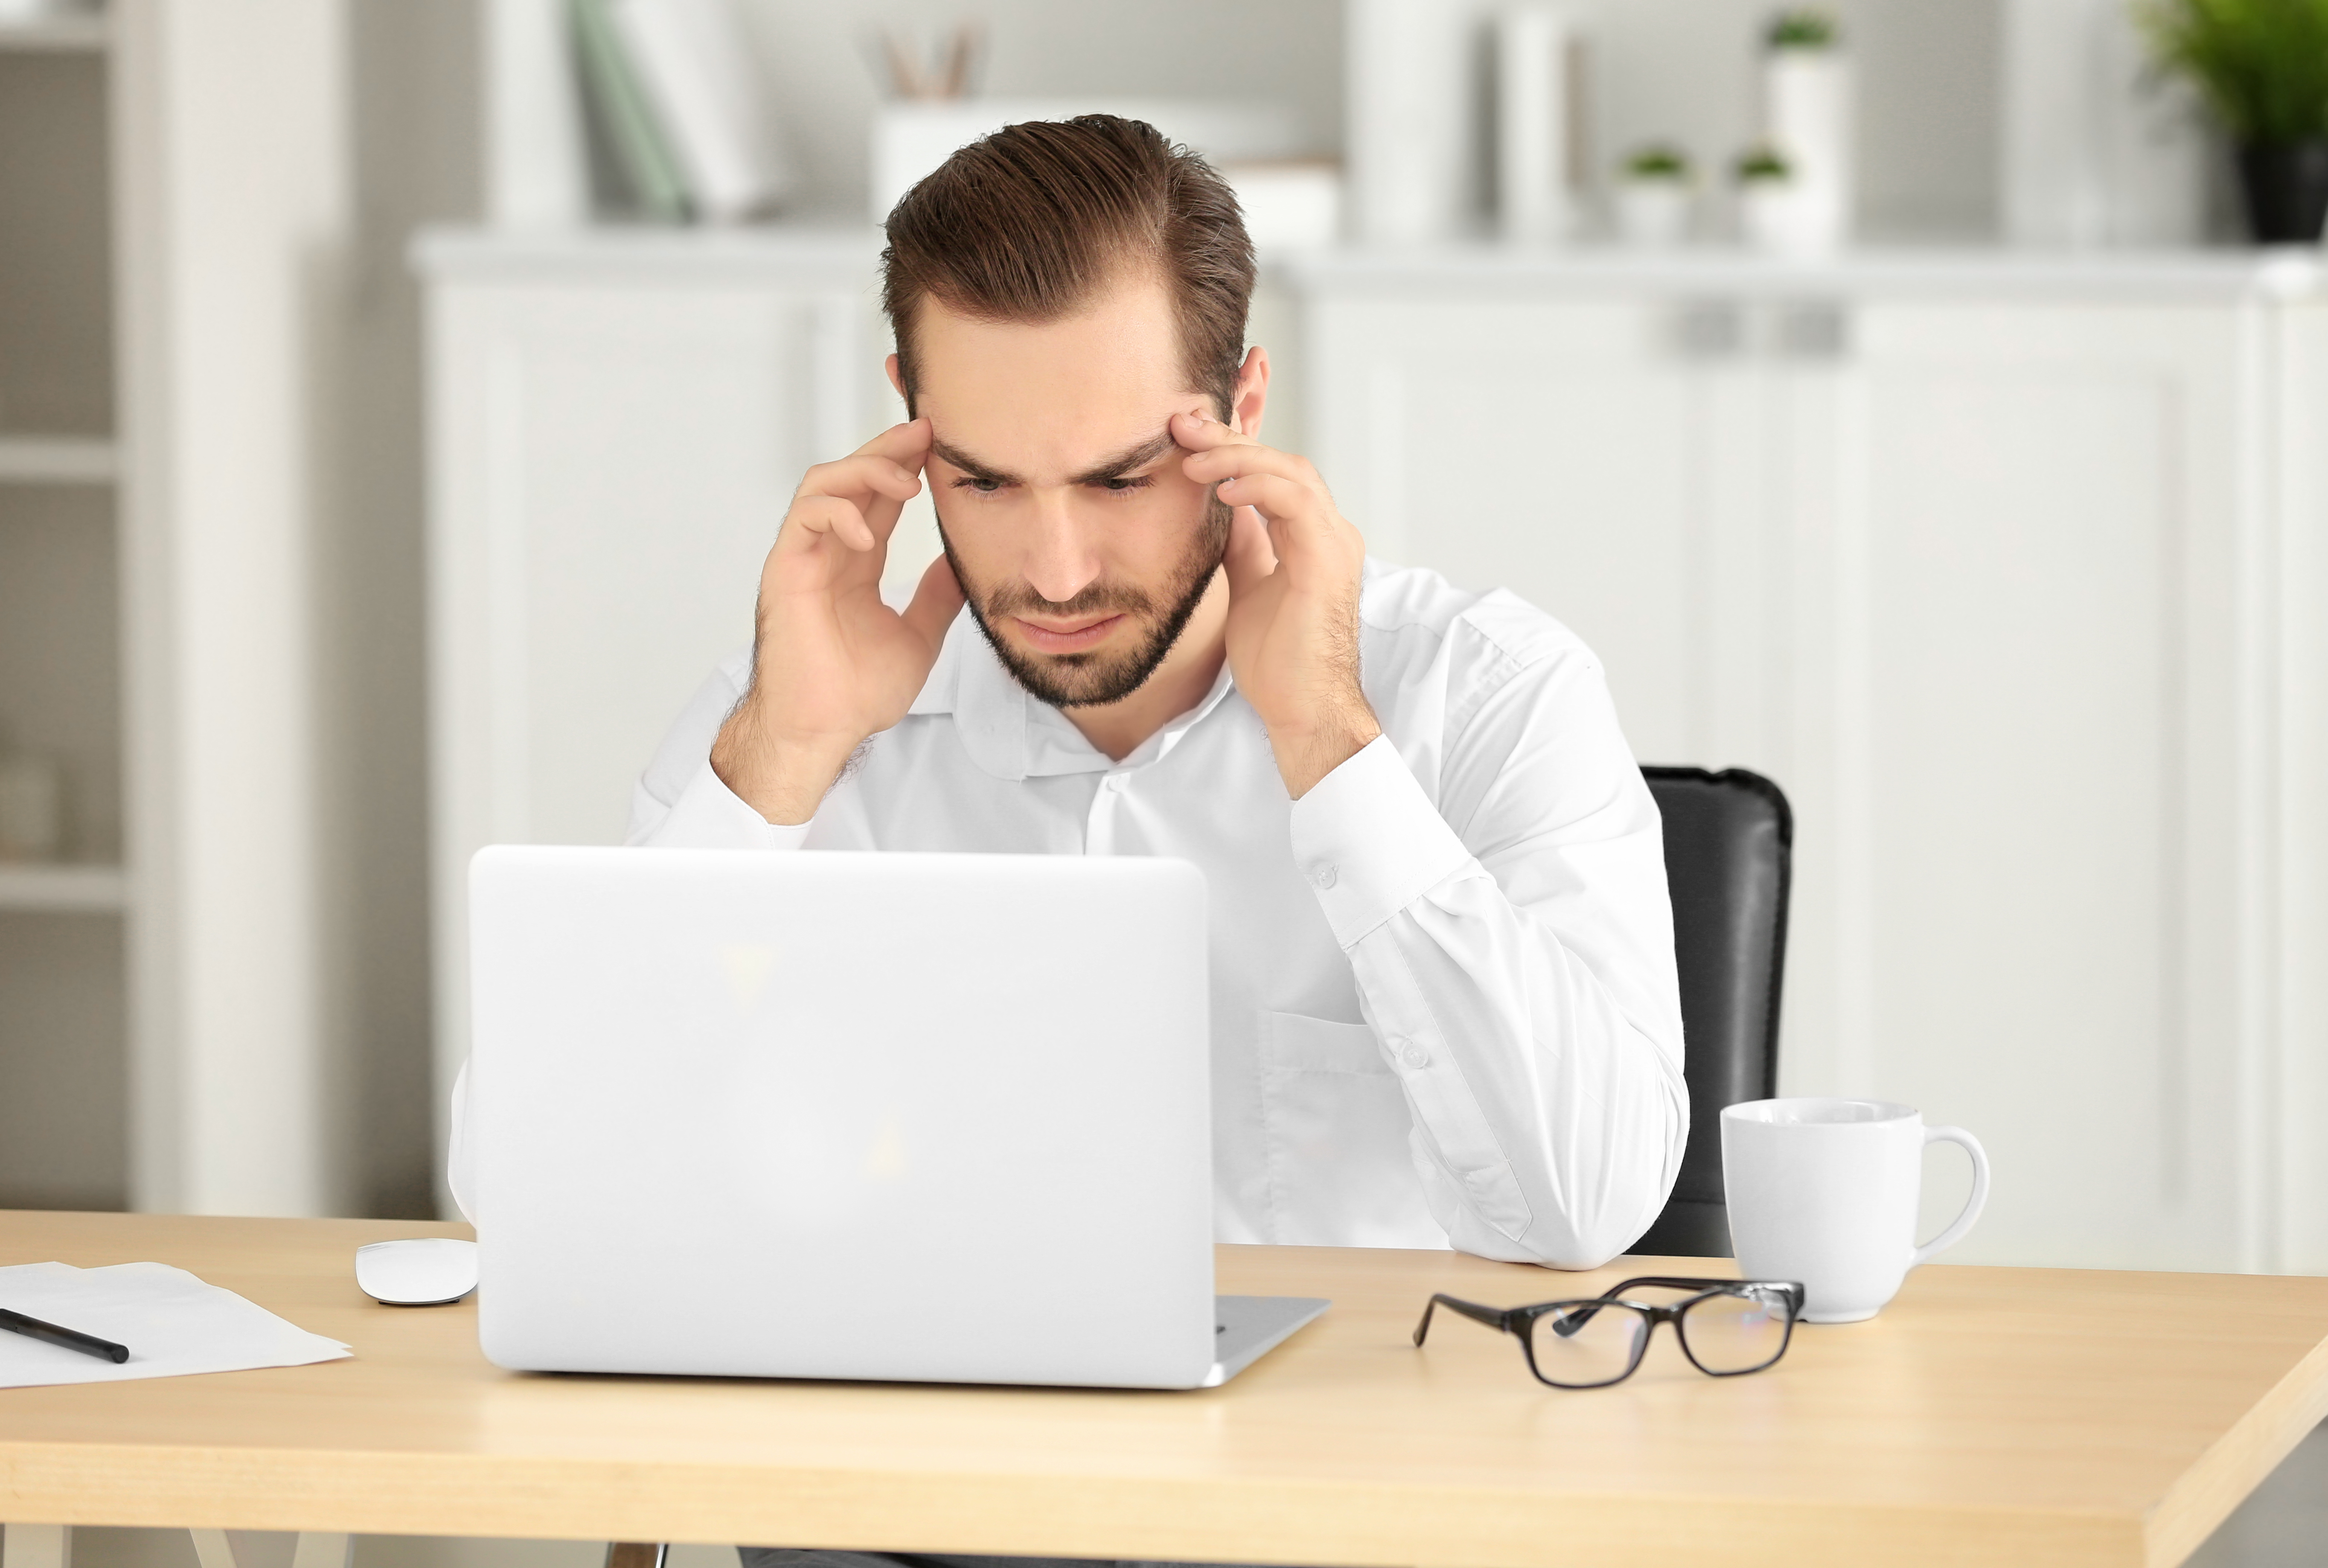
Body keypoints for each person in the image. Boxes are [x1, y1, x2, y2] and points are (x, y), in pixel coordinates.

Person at [452, 112, 1681, 1300]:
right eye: (984, 483)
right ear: (910, 424)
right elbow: (515, 1190)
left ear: (1242, 416)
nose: (1053, 574)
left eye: (1120, 481)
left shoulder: (1490, 692)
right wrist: (783, 759)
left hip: (1348, 1436)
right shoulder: (792, 715)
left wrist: (1329, 740)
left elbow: (1586, 1206)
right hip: (914, 1436)